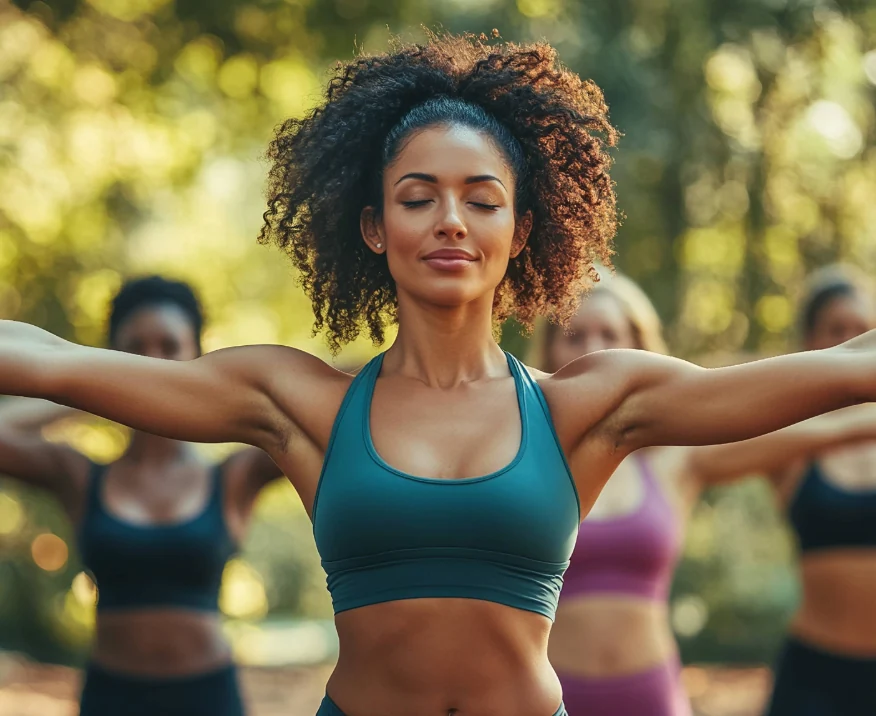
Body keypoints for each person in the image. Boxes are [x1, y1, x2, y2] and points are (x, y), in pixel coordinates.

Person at [2, 33, 876, 716]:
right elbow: (55, 362)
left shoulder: (589, 404)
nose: (450, 220)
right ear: (375, 227)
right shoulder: (301, 403)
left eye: (482, 199)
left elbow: (846, 366)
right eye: (417, 197)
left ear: (523, 230)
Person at [540, 267, 876, 715]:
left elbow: (751, 400)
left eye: (610, 334)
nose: (594, 351)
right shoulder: (523, 454)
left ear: (640, 349)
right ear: (547, 348)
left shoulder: (677, 457)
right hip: (551, 699)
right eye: (575, 335)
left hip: (652, 695)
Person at [0, 275, 283, 716]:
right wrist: (88, 387)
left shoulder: (235, 475)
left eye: (169, 347)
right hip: (112, 698)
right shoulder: (77, 475)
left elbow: (328, 405)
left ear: (197, 358)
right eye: (133, 351)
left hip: (209, 699)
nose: (151, 363)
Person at [685, 265, 876, 716]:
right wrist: (847, 427)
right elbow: (708, 459)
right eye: (836, 331)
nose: (850, 344)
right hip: (815, 675)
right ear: (810, 343)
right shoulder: (793, 442)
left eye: (861, 332)